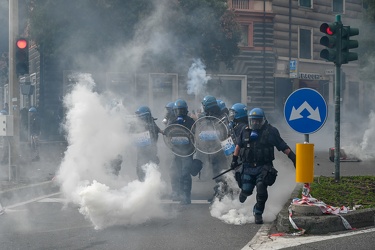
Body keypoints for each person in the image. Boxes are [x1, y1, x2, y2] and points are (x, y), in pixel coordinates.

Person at [230, 107, 296, 224]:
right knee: (247, 190)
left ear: (263, 120)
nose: (255, 123)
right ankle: (244, 192)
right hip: (248, 167)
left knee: (261, 189)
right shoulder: (245, 131)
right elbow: (238, 147)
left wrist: (293, 158)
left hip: (263, 167)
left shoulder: (271, 132)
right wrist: (234, 160)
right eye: (253, 120)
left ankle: (258, 213)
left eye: (257, 120)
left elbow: (282, 146)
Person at [169, 99, 196, 205]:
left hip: (187, 152)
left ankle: (186, 196)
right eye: (177, 110)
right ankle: (179, 194)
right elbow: (168, 135)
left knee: (185, 174)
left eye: (181, 110)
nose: (179, 113)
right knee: (176, 173)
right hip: (177, 152)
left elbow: (195, 136)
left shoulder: (191, 122)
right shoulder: (173, 122)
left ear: (185, 110)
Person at [132, 106, 162, 181]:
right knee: (140, 170)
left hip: (150, 153)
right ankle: (144, 188)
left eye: (140, 116)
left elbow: (154, 137)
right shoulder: (138, 126)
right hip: (141, 153)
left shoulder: (152, 126)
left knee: (149, 170)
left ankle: (151, 188)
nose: (138, 118)